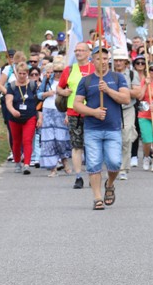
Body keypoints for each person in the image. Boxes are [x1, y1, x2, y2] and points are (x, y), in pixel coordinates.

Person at [74, 46, 131, 210]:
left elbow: (126, 98)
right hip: (92, 129)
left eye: (106, 58)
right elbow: (77, 104)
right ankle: (97, 198)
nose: (103, 61)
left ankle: (110, 184)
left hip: (113, 128)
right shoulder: (86, 81)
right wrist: (93, 112)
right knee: (93, 164)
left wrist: (108, 90)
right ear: (92, 60)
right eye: (99, 58)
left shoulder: (117, 77)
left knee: (114, 163)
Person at [57, 42, 96, 189]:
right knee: (76, 146)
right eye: (76, 50)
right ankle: (78, 176)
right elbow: (59, 88)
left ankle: (94, 175)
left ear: (88, 53)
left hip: (92, 112)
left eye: (81, 50)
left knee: (92, 146)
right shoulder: (69, 70)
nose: (78, 53)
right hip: (74, 112)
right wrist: (63, 92)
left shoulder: (95, 68)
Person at [5, 62, 42, 175]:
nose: (22, 76)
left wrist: (40, 117)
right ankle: (17, 162)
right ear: (16, 73)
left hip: (30, 117)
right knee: (16, 142)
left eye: (24, 73)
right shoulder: (11, 86)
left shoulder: (32, 85)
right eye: (20, 73)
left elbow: (39, 103)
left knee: (27, 140)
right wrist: (13, 111)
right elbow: (8, 101)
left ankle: (26, 164)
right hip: (14, 118)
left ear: (27, 73)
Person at [38, 62, 72, 177]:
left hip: (61, 112)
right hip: (48, 111)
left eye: (60, 71)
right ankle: (53, 168)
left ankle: (64, 160)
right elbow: (38, 95)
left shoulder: (67, 82)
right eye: (55, 71)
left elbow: (70, 99)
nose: (57, 73)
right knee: (49, 140)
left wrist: (67, 115)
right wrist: (47, 93)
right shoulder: (47, 81)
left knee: (60, 139)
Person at [112, 49, 141, 180]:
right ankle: (113, 165)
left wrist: (122, 90)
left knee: (126, 138)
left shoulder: (131, 74)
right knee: (113, 138)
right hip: (112, 108)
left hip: (127, 108)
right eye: (116, 60)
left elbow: (137, 93)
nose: (118, 63)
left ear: (125, 62)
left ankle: (123, 167)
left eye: (120, 60)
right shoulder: (108, 73)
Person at [130, 55, 147, 167]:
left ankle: (147, 155)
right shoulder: (131, 76)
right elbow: (139, 95)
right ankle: (134, 155)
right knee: (135, 129)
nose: (140, 65)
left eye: (142, 63)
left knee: (146, 131)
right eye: (138, 63)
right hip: (135, 105)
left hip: (148, 106)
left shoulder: (150, 75)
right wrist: (145, 85)